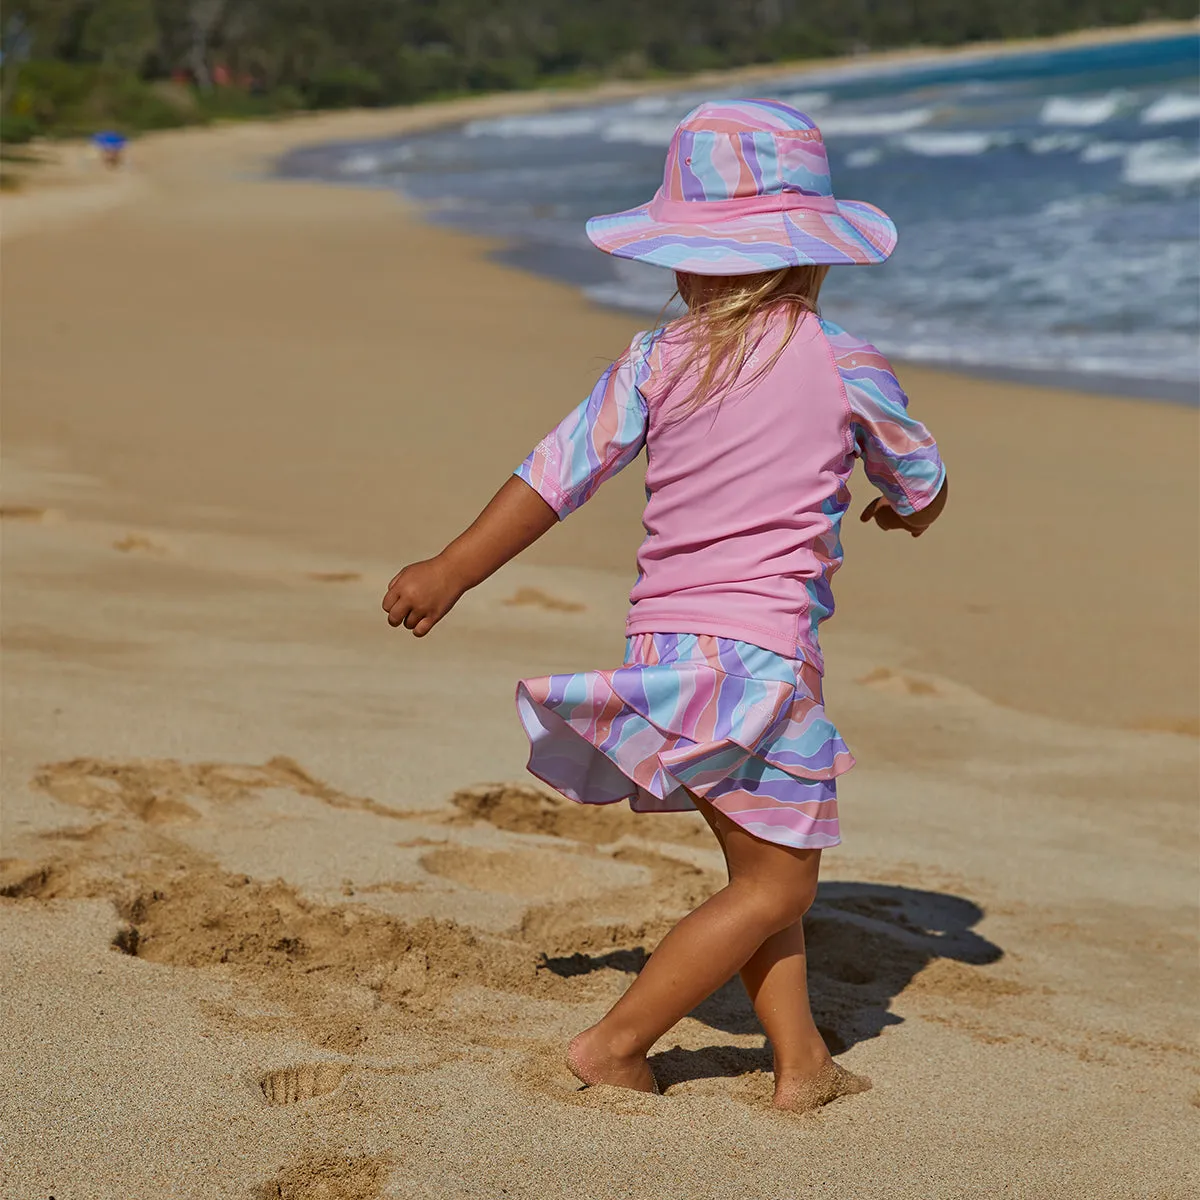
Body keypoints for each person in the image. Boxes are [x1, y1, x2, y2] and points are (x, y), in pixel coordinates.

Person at [382, 100, 948, 1110]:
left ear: (684, 252)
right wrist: (907, 510)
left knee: (760, 862)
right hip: (762, 661)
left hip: (671, 652)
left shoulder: (654, 361)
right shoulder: (842, 361)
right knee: (777, 883)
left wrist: (452, 569)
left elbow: (554, 476)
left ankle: (801, 1062)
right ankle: (616, 1042)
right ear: (813, 251)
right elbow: (919, 474)